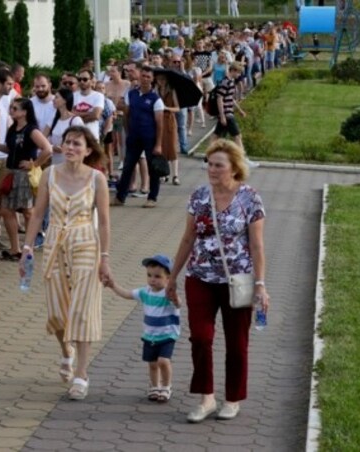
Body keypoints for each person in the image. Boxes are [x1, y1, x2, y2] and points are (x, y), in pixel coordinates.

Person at [166, 139, 269, 423]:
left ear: (234, 168)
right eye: (209, 164)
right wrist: (172, 277)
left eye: (218, 165)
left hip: (238, 279)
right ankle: (206, 398)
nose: (211, 170)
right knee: (200, 337)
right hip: (199, 277)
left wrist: (261, 284)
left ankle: (232, 399)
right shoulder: (199, 196)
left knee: (237, 343)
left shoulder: (250, 198)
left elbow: (257, 245)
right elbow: (188, 238)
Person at [21, 126, 113, 400]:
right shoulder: (50, 174)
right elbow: (37, 215)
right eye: (67, 143)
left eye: (77, 144)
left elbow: (106, 222)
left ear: (88, 150)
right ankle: (66, 351)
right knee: (57, 313)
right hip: (54, 246)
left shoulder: (97, 179)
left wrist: (105, 258)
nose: (71, 148)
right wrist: (26, 249)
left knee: (83, 310)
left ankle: (81, 374)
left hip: (86, 244)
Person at [111, 255, 181, 403]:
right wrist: (113, 285)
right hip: (150, 336)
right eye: (149, 275)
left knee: (163, 361)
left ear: (168, 278)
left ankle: (166, 386)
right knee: (152, 363)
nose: (152, 279)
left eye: (157, 276)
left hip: (167, 335)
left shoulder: (168, 294)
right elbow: (127, 294)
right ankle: (155, 386)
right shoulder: (145, 292)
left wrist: (174, 297)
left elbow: (178, 304)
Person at [0, 98, 52, 261]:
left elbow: (47, 149)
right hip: (12, 172)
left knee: (28, 211)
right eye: (11, 108)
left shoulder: (31, 130)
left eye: (15, 108)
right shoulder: (13, 128)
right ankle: (15, 247)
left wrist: (34, 164)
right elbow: (9, 148)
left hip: (24, 175)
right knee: (7, 210)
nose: (11, 111)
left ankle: (28, 246)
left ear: (24, 112)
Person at [113, 66, 164, 208]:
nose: (145, 79)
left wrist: (158, 144)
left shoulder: (156, 99)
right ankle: (120, 197)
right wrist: (128, 132)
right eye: (143, 76)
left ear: (152, 79)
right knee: (128, 167)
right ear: (139, 77)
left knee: (152, 169)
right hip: (134, 137)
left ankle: (152, 198)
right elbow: (126, 115)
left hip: (150, 138)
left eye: (148, 76)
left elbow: (160, 123)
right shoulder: (132, 94)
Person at [212, 62, 256, 167]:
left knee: (215, 136)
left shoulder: (230, 81)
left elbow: (230, 98)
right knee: (237, 136)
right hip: (227, 114)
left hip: (228, 112)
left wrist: (239, 110)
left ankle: (206, 159)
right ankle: (243, 159)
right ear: (233, 71)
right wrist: (222, 115)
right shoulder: (225, 82)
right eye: (239, 72)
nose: (239, 75)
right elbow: (219, 98)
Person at [43, 89, 84, 166]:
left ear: (65, 100)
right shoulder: (53, 120)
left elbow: (80, 141)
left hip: (71, 163)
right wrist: (52, 147)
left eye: (57, 97)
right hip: (55, 163)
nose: (53, 100)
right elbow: (42, 138)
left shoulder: (75, 120)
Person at [154, 72, 181, 185]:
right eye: (159, 80)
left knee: (172, 148)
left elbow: (177, 108)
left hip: (169, 120)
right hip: (158, 120)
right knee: (162, 147)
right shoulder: (155, 92)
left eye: (163, 79)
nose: (161, 82)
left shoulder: (172, 91)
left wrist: (166, 108)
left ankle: (175, 175)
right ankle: (164, 173)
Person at [72, 70, 105, 140]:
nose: (82, 82)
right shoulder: (73, 96)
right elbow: (71, 114)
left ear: (91, 81)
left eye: (85, 79)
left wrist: (78, 121)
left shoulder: (98, 96)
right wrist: (89, 113)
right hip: (76, 136)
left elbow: (96, 115)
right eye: (79, 79)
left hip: (92, 136)